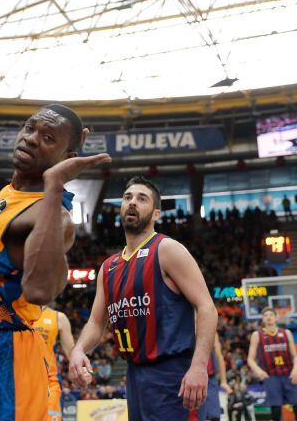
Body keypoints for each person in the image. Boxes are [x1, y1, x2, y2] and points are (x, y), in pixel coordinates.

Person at [0, 105, 110, 420]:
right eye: (29, 128)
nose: (30, 139)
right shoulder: (11, 193)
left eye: (47, 137)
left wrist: (54, 186)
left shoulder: (52, 215)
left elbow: (42, 290)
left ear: (67, 155)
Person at [69, 176, 218, 421]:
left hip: (172, 373)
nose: (132, 203)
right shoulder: (108, 267)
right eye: (127, 198)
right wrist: (78, 349)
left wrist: (199, 366)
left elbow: (206, 308)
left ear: (156, 213)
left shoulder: (167, 249)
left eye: (142, 198)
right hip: (135, 375)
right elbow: (96, 323)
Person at [247, 307, 297, 421]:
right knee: (276, 411)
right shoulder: (257, 335)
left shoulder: (286, 333)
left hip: (288, 375)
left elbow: (295, 356)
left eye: (271, 315)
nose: (268, 317)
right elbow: (250, 359)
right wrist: (259, 371)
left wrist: (296, 369)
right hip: (271, 376)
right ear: (263, 319)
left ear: (276, 318)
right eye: (266, 315)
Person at [33, 306, 75, 421]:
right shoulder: (17, 313)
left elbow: (72, 354)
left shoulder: (59, 318)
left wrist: (81, 370)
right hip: (21, 381)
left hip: (49, 381)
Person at [198, 334, 232, 421]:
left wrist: (223, 381)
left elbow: (219, 356)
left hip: (210, 379)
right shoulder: (184, 326)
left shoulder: (211, 329)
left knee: (214, 417)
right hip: (192, 379)